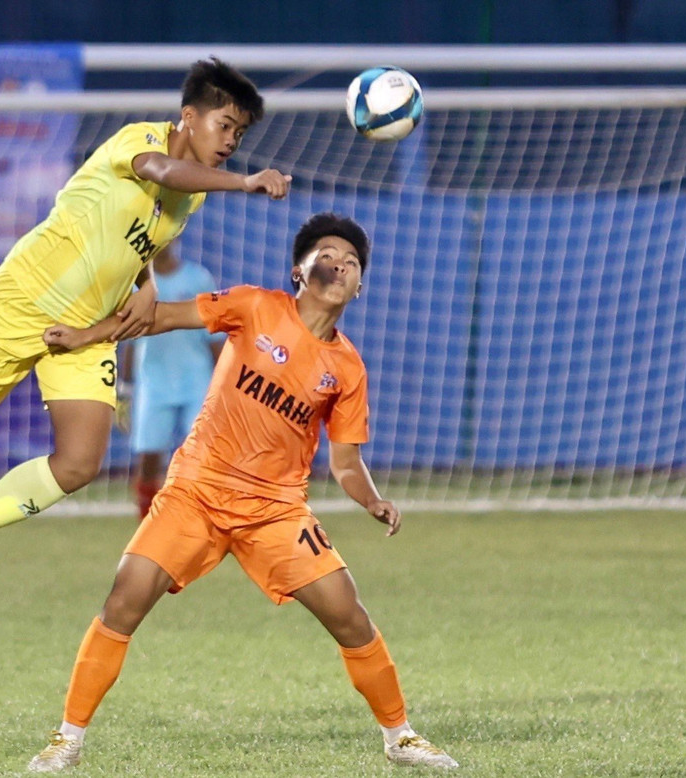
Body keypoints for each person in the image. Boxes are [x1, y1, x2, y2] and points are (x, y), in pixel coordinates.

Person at [26, 213, 458, 772]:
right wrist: (86, 335)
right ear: (298, 270)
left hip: (275, 510)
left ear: (359, 287)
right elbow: (162, 316)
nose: (340, 265)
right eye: (327, 255)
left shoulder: (347, 368)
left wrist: (371, 499)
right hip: (196, 490)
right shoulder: (255, 306)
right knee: (123, 600)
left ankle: (400, 737)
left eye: (352, 263)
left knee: (350, 616)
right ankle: (67, 739)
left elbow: (346, 461)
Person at [0, 58, 291, 587]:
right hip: (23, 300)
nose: (232, 140)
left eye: (240, 133)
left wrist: (147, 285)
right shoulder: (142, 139)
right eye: (225, 125)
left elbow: (139, 240)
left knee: (78, 464)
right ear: (189, 117)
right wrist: (245, 182)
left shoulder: (192, 196)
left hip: (88, 330)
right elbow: (161, 170)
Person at [117, 242, 224, 520]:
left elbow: (214, 335)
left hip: (197, 380)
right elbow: (130, 342)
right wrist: (125, 390)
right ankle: (147, 520)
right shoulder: (137, 286)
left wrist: (225, 383)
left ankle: (201, 517)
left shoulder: (198, 278)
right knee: (149, 455)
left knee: (201, 453)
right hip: (153, 383)